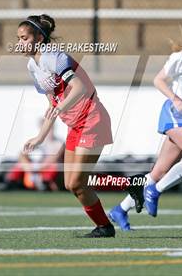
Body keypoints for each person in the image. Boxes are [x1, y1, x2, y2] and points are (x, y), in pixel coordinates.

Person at [17, 14, 142, 237]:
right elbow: (52, 105)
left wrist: (62, 107)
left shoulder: (55, 57)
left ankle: (124, 194)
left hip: (92, 118)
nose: (20, 43)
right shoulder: (32, 66)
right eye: (18, 38)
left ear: (39, 37)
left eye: (24, 38)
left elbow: (80, 87)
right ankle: (105, 224)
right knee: (72, 185)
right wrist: (40, 137)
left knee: (78, 180)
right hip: (75, 125)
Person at [109, 9, 182, 230]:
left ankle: (119, 210)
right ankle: (155, 191)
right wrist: (175, 98)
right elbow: (159, 80)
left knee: (159, 171)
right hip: (175, 113)